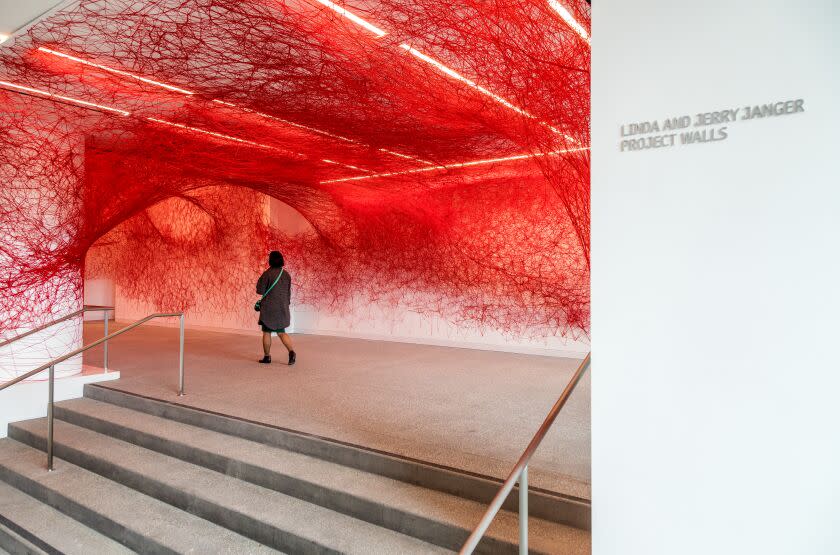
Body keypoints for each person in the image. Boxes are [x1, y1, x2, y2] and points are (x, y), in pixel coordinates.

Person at [256, 250, 296, 365]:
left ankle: (267, 357)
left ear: (271, 260)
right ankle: (291, 352)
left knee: (267, 332)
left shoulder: (267, 274)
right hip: (282, 307)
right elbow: (288, 293)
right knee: (281, 333)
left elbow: (260, 290)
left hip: (269, 309)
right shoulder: (286, 274)